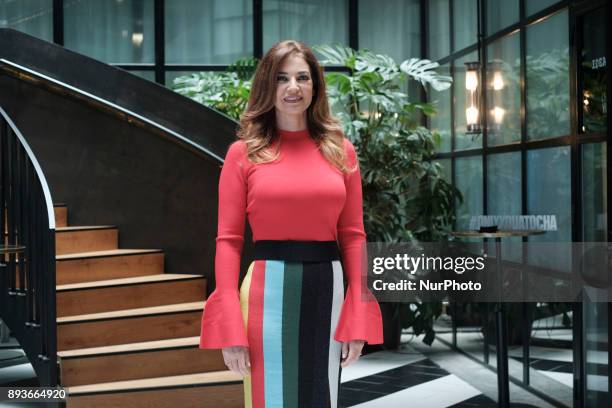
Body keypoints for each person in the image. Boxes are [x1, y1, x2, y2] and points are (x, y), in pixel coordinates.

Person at [199, 39, 384, 407]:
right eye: (282, 78)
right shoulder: (243, 153)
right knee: (270, 399)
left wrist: (356, 310)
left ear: (315, 86)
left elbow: (353, 235)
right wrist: (231, 322)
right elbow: (229, 240)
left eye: (302, 77)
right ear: (269, 86)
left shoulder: (340, 149)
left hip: (325, 289)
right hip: (267, 291)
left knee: (321, 397)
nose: (293, 87)